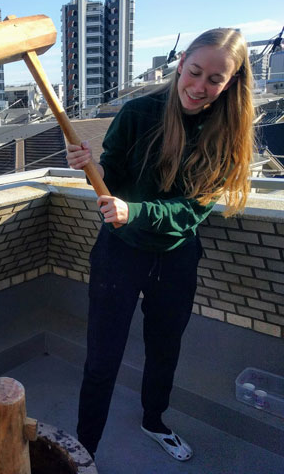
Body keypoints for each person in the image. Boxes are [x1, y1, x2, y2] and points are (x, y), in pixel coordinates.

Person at [66, 28, 253, 462]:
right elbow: (108, 179)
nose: (199, 87)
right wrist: (89, 166)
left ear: (231, 83)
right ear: (181, 60)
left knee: (165, 348)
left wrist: (135, 211)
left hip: (176, 257)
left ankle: (154, 421)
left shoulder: (227, 133)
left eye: (214, 80)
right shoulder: (138, 113)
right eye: (194, 72)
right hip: (120, 252)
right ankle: (83, 452)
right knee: (102, 359)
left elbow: (191, 212)